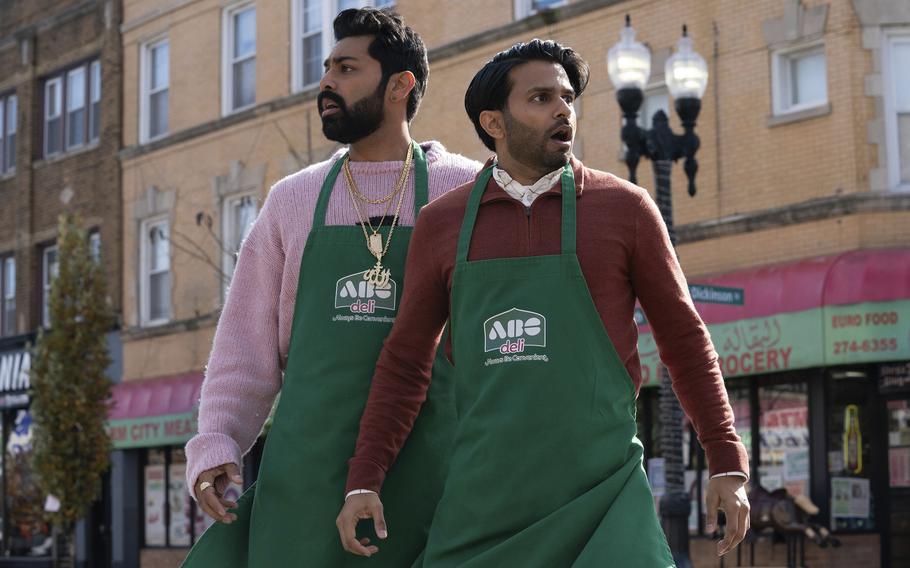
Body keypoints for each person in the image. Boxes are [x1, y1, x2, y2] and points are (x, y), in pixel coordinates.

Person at [336, 40, 751, 566]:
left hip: (604, 501)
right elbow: (404, 363)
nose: (563, 109)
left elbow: (685, 342)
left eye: (568, 97)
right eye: (540, 98)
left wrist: (726, 462)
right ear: (494, 122)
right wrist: (363, 480)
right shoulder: (442, 224)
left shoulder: (625, 209)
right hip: (483, 507)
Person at [181, 8, 479, 567]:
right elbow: (245, 349)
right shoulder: (291, 200)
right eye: (326, 69)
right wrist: (218, 443)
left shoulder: (465, 190)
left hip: (436, 483)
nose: (326, 84)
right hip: (304, 491)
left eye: (346, 68)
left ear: (400, 85)